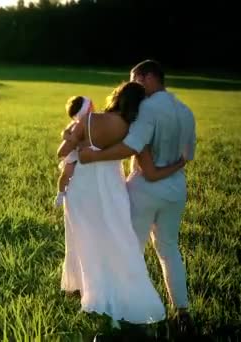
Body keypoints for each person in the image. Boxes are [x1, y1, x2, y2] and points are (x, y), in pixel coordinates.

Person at [78, 60, 197, 332]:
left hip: (145, 188)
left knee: (129, 251)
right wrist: (176, 168)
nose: (133, 85)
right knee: (169, 249)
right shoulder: (186, 110)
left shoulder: (147, 107)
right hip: (176, 190)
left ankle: (125, 315)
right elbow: (187, 155)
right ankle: (183, 313)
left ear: (149, 76)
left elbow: (130, 146)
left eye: (135, 79)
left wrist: (94, 156)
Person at [54, 96, 94, 207]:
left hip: (84, 153)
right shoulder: (75, 123)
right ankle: (60, 193)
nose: (93, 108)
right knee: (66, 173)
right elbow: (64, 133)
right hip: (73, 154)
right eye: (90, 106)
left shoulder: (93, 122)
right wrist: (70, 137)